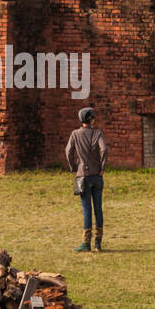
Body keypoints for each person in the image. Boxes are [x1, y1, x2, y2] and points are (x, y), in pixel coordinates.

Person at [65, 106, 108, 252]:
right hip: (97, 176)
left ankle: (85, 243)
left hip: (82, 176)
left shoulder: (75, 134)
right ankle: (98, 242)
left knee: (87, 210)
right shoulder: (98, 133)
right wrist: (102, 167)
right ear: (91, 119)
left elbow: (68, 151)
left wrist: (74, 167)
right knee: (98, 209)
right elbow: (104, 149)